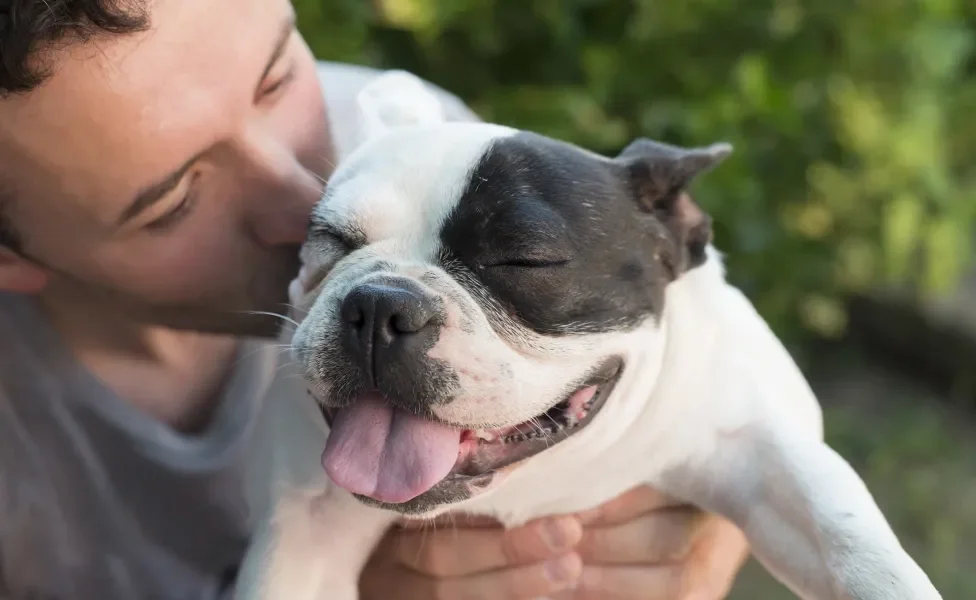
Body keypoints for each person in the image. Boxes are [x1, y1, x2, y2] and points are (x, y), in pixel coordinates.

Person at [0, 1, 750, 598]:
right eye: (173, 203)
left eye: (277, 80)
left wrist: (700, 537)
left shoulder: (420, 143)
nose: (308, 204)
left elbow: (717, 398)